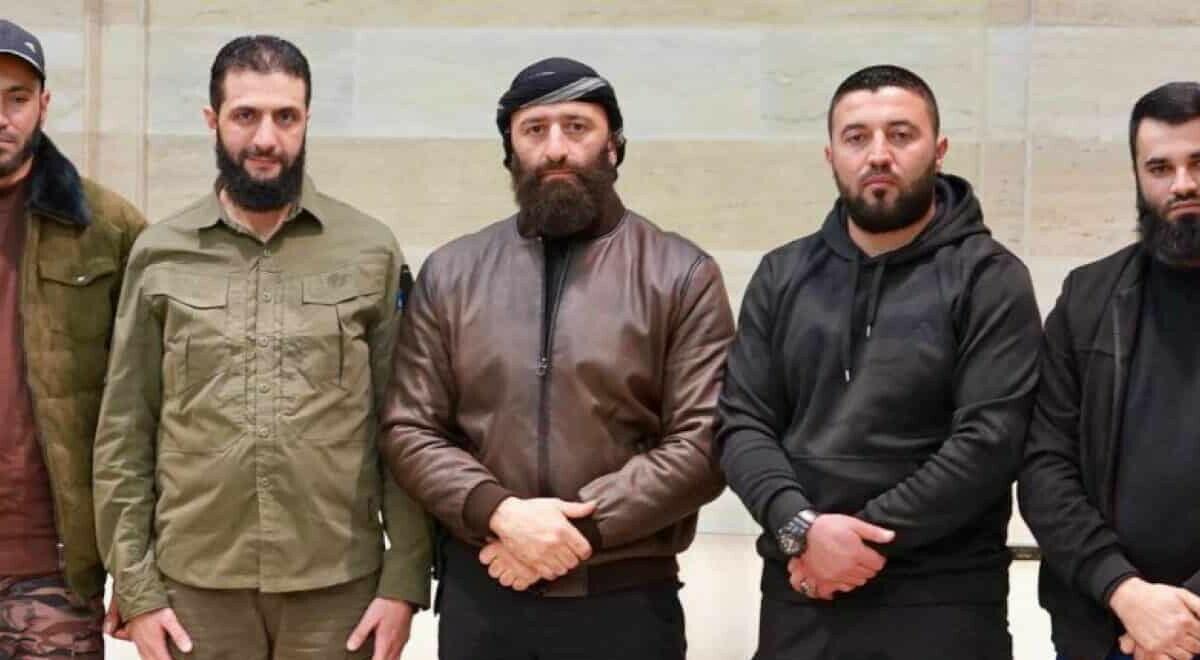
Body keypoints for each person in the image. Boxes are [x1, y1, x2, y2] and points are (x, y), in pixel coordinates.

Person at [380, 56, 734, 660]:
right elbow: (409, 427)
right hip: (484, 595)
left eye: (577, 127)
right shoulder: (452, 273)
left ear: (614, 145)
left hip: (625, 603)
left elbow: (705, 442)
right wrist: (500, 514)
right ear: (509, 151)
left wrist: (573, 531)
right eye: (534, 130)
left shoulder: (681, 274)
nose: (556, 149)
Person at [92, 35, 430, 660]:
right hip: (195, 589)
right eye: (245, 115)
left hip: (338, 589)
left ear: (307, 120)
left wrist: (404, 581)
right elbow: (125, 430)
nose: (266, 139)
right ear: (212, 119)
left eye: (286, 116)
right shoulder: (161, 253)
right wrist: (136, 587)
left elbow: (404, 425)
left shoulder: (370, 249)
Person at [716, 64, 1041, 659]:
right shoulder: (781, 275)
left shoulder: (990, 278)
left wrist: (854, 543)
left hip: (944, 602)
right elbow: (742, 424)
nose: (878, 154)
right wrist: (801, 528)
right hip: (801, 593)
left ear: (939, 149)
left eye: (901, 134)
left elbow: (989, 442)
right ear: (830, 155)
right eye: (857, 137)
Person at [1020, 81, 1200, 660]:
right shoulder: (1088, 299)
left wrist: (1183, 618)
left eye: (1198, 163)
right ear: (1138, 178)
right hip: (1103, 628)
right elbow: (1044, 467)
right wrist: (1125, 592)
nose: (1182, 184)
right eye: (1160, 167)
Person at [0, 17, 146, 659]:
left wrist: (137, 569)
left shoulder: (106, 227)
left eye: (17, 98)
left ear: (44, 104)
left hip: (53, 568)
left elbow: (152, 405)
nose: (1, 117)